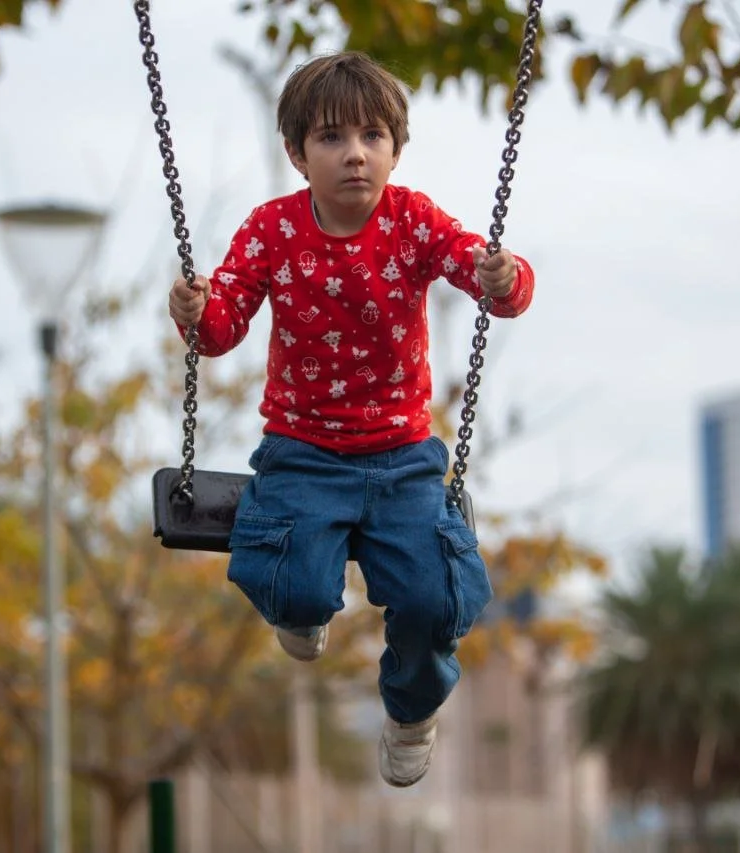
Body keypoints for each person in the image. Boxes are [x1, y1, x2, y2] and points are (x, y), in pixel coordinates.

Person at [166, 51, 535, 787]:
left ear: (396, 148)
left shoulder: (414, 221)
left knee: (437, 599)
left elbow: (488, 278)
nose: (354, 153)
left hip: (404, 459)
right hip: (303, 452)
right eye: (332, 137)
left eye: (372, 135)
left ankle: (410, 709)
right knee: (297, 587)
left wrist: (505, 276)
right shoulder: (272, 230)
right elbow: (224, 326)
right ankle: (300, 604)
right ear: (297, 153)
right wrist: (197, 312)